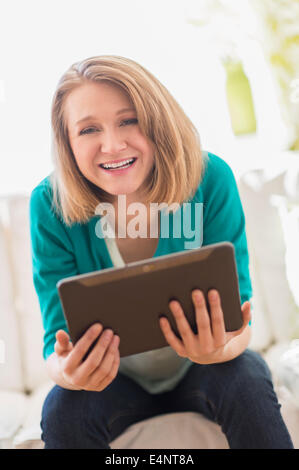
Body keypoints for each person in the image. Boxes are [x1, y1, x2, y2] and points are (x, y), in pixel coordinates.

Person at [29, 55, 294, 449]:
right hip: (114, 383)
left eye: (128, 120)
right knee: (62, 407)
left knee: (248, 376)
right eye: (88, 130)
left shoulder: (210, 179)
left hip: (204, 371)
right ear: (68, 143)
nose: (112, 144)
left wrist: (221, 347)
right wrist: (70, 372)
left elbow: (240, 320)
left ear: (157, 120)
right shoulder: (50, 206)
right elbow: (56, 343)